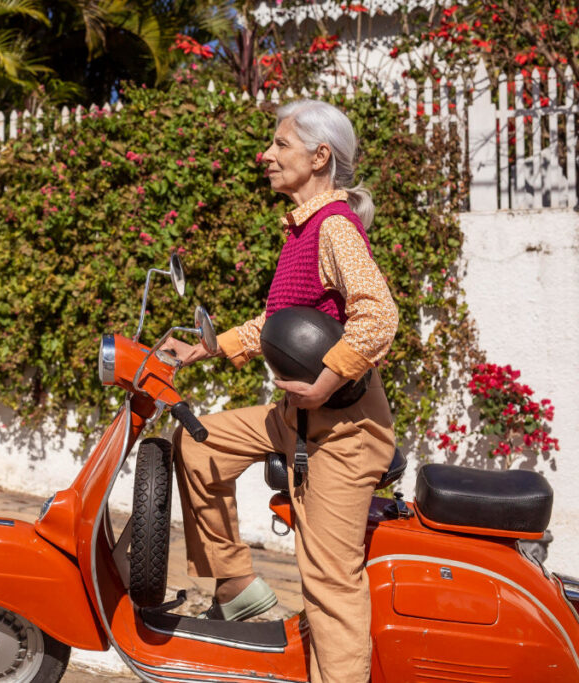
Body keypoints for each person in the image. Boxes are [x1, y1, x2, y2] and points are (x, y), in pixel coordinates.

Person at [161, 99, 398, 683]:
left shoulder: (335, 227)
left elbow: (379, 317)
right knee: (198, 443)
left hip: (343, 429)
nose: (265, 155)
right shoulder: (300, 230)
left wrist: (323, 381)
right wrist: (208, 348)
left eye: (280, 145)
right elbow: (277, 322)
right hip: (297, 415)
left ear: (320, 158)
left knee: (328, 580)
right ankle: (239, 589)